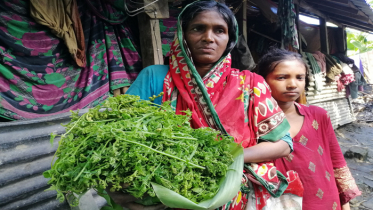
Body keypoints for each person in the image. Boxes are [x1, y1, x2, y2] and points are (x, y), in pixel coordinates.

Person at [114, 1, 295, 209]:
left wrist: (226, 158)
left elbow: (283, 143)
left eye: (219, 30)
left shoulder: (250, 84)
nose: (208, 38)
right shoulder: (154, 78)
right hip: (169, 197)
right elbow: (120, 138)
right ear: (183, 34)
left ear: (229, 40)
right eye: (198, 28)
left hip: (236, 198)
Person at [255, 48, 361, 210]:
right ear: (263, 81)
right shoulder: (251, 123)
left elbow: (337, 163)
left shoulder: (318, 116)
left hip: (325, 201)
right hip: (278, 203)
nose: (292, 85)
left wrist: (345, 206)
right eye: (282, 77)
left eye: (299, 77)